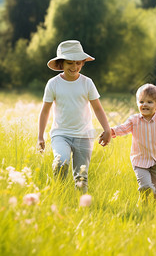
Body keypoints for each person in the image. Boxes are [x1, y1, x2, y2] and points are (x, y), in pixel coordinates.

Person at [38, 40, 111, 193]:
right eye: (70, 63)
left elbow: (97, 108)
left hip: (84, 135)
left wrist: (107, 129)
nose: (74, 67)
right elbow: (45, 111)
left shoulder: (87, 83)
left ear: (83, 63)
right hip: (61, 134)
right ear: (61, 64)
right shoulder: (53, 84)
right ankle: (59, 191)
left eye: (78, 63)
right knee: (61, 162)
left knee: (81, 178)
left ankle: (81, 205)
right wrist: (40, 136)